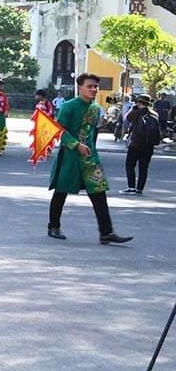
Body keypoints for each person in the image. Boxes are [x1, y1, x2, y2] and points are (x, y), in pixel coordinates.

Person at [47, 73, 133, 245]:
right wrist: (75, 144)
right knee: (61, 191)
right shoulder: (69, 107)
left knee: (99, 193)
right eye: (90, 86)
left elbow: (92, 134)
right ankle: (53, 226)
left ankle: (106, 232)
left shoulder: (95, 108)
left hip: (89, 158)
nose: (93, 89)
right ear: (80, 88)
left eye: (95, 87)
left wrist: (92, 152)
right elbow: (58, 131)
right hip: (70, 156)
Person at [122, 94, 161, 195]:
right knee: (143, 167)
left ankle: (131, 187)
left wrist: (134, 108)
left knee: (130, 165)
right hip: (149, 145)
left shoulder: (135, 113)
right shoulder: (154, 114)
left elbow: (127, 118)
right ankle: (139, 189)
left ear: (139, 102)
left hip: (135, 144)